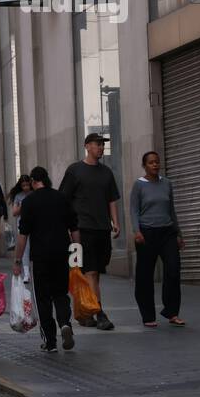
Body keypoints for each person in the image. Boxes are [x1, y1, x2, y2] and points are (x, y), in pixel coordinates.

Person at [59, 133, 121, 330]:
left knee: (92, 273)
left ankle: (84, 312)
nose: (101, 147)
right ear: (87, 146)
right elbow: (64, 201)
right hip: (80, 230)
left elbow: (112, 199)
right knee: (89, 271)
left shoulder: (106, 173)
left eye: (103, 145)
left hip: (102, 229)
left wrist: (115, 222)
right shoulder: (74, 171)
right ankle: (99, 312)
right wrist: (67, 229)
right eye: (97, 144)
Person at [15, 166, 78, 352]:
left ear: (34, 181)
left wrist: (18, 260)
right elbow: (74, 228)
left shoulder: (29, 202)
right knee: (60, 293)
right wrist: (77, 256)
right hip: (62, 253)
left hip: (40, 256)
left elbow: (23, 235)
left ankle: (50, 342)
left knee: (43, 298)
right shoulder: (61, 198)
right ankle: (65, 323)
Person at [130, 151, 185, 328]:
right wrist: (137, 231)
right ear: (144, 165)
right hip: (146, 234)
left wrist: (178, 233)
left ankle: (172, 312)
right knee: (145, 276)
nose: (155, 165)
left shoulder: (167, 183)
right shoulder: (139, 185)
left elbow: (171, 210)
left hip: (167, 232)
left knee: (174, 270)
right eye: (151, 162)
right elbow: (134, 211)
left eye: (157, 162)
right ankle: (148, 315)